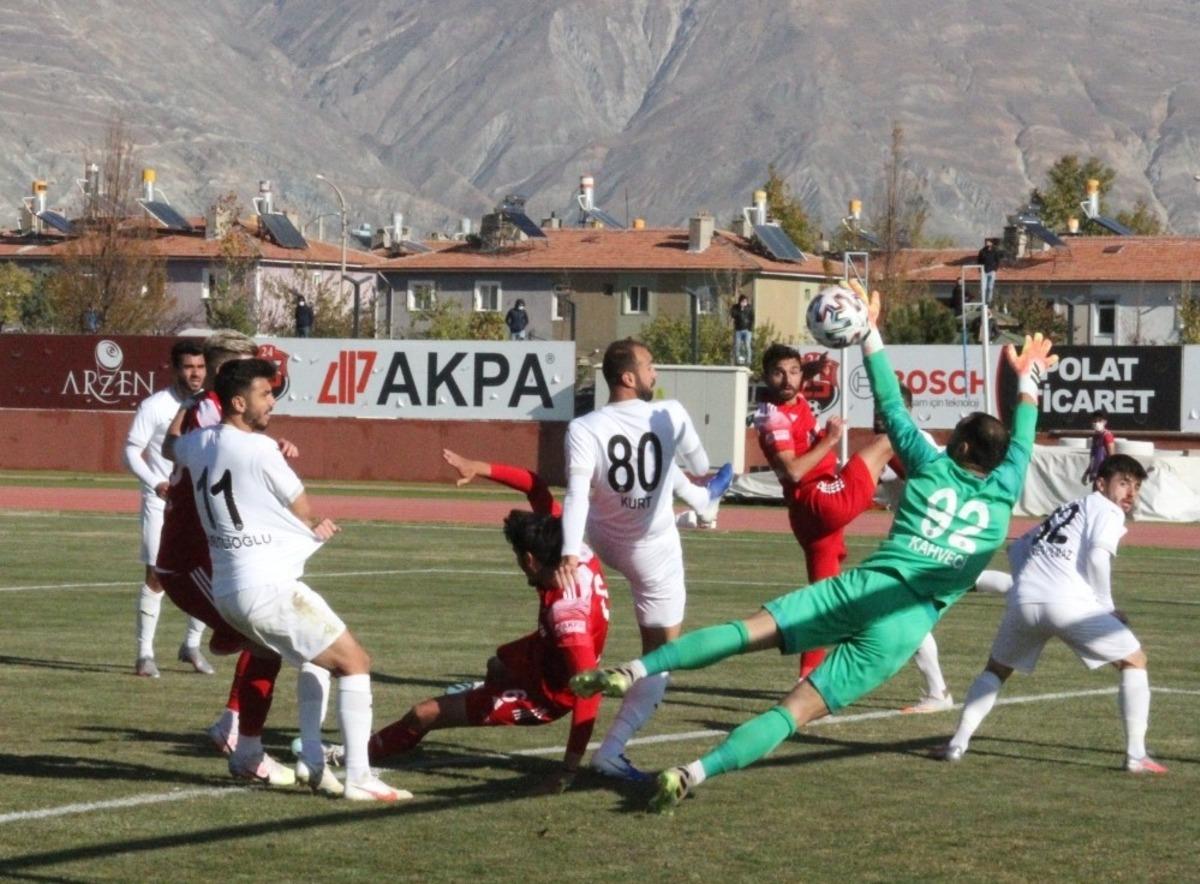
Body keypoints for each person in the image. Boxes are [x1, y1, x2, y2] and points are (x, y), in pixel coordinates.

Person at [572, 286, 1058, 814]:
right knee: (792, 713)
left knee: (743, 633)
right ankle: (692, 772)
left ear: (959, 446)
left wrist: (869, 332)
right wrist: (1029, 380)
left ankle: (633, 672)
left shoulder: (930, 461)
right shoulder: (1007, 487)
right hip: (903, 629)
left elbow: (891, 403)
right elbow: (1024, 438)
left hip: (864, 589)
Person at [171, 358, 407, 802]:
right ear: (239, 402)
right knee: (355, 662)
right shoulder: (259, 449)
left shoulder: (197, 443)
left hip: (228, 591)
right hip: (265, 584)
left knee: (310, 658)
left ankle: (311, 759)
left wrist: (195, 405)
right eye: (264, 393)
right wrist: (317, 522)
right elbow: (301, 503)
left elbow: (170, 446)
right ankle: (359, 776)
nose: (272, 401)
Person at [365, 449, 610, 793]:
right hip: (544, 652)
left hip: (547, 694)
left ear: (530, 560)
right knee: (497, 662)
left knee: (423, 715)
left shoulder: (567, 619)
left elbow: (590, 692)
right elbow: (536, 487)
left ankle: (358, 757)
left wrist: (568, 770)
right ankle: (486, 691)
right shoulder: (572, 550)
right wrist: (477, 467)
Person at [557, 338, 724, 780]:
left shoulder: (583, 426)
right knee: (662, 656)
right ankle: (611, 750)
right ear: (628, 377)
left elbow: (576, 494)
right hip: (651, 552)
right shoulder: (670, 413)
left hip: (602, 538)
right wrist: (704, 485)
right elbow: (701, 461)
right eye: (650, 366)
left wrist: (571, 553)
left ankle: (698, 511)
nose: (656, 375)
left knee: (660, 475)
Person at [936, 455, 1166, 773]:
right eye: (1124, 483)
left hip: (1025, 602)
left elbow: (1015, 550)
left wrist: (1027, 586)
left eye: (1137, 487)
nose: (1131, 493)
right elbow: (1099, 558)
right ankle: (1136, 755)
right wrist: (1107, 607)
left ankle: (957, 743)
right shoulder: (1107, 509)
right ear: (1101, 483)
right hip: (1070, 604)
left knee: (996, 670)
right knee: (1134, 661)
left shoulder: (1065, 510)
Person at [159, 330, 304, 788]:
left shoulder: (209, 414)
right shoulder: (209, 411)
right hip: (190, 559)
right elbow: (199, 450)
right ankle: (244, 744)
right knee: (265, 640)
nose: (259, 377)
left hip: (208, 556)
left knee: (265, 638)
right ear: (229, 376)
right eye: (249, 368)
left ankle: (236, 728)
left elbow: (186, 448)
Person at [753, 344, 893, 679]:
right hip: (819, 501)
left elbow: (798, 379)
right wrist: (829, 440)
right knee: (888, 441)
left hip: (811, 519)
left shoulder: (794, 397)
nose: (787, 379)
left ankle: (808, 676)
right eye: (778, 372)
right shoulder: (772, 418)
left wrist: (811, 369)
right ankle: (936, 486)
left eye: (793, 371)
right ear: (765, 376)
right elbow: (793, 472)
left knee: (823, 601)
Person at [123, 339, 212, 678]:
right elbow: (131, 451)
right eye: (189, 367)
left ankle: (191, 644)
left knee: (207, 573)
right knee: (157, 576)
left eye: (201, 367)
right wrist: (155, 483)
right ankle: (144, 655)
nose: (196, 373)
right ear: (175, 369)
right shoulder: (156, 405)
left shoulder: (210, 407)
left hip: (200, 504)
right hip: (161, 503)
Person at [872, 384, 954, 714]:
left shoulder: (910, 442)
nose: (878, 415)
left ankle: (938, 693)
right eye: (876, 408)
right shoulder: (897, 442)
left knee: (906, 615)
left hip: (922, 543)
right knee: (903, 614)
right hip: (915, 541)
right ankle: (937, 691)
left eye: (885, 408)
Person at [1083, 409, 1116, 485]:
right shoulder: (1095, 437)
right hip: (1095, 473)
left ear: (1105, 422)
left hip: (1104, 474)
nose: (1096, 423)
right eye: (1094, 421)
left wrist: (1110, 474)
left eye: (1099, 420)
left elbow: (1112, 457)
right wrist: (1087, 473)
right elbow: (1094, 458)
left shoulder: (1107, 435)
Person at [730, 295, 754, 366]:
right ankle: (738, 360)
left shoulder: (749, 308)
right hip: (738, 330)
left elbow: (752, 318)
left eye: (745, 301)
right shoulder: (735, 307)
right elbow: (733, 315)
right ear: (740, 301)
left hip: (747, 330)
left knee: (747, 345)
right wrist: (741, 309)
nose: (744, 303)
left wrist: (750, 328)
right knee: (738, 346)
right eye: (743, 301)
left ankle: (748, 360)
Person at [977, 238, 1000, 302]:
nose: (987, 243)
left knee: (990, 287)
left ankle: (989, 301)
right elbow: (979, 261)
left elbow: (998, 261)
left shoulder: (995, 251)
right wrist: (980, 269)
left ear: (991, 243)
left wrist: (995, 269)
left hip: (992, 271)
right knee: (983, 288)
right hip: (984, 271)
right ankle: (982, 301)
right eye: (986, 242)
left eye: (988, 242)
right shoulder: (982, 251)